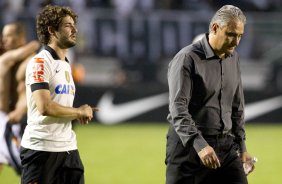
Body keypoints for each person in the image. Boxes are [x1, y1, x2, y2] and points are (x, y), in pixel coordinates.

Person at [165, 5, 254, 184]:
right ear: (214, 28)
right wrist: (200, 145)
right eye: (231, 34)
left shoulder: (233, 58)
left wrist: (242, 147)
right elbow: (178, 109)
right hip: (188, 150)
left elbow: (237, 107)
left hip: (226, 148)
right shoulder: (187, 59)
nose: (236, 42)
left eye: (240, 36)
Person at [20, 5, 96, 184]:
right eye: (68, 25)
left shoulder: (66, 64)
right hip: (41, 151)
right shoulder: (40, 62)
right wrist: (78, 112)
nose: (74, 29)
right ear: (52, 30)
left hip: (69, 150)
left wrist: (78, 112)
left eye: (74, 24)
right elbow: (44, 107)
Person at [0, 22, 40, 175]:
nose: (4, 40)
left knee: (27, 170)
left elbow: (30, 92)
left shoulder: (31, 62)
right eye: (3, 36)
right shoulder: (7, 60)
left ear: (21, 37)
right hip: (5, 120)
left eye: (9, 35)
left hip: (14, 122)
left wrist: (19, 111)